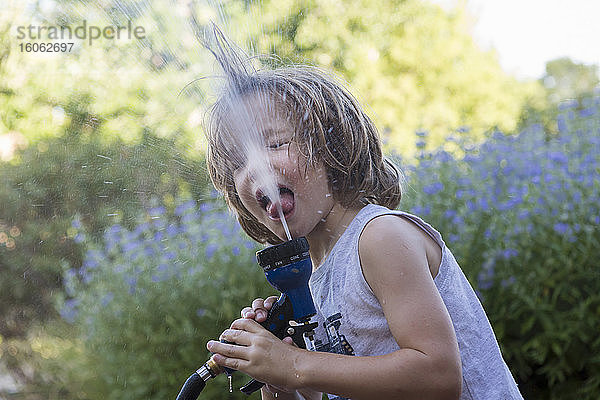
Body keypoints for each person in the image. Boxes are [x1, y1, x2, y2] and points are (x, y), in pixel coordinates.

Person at [202, 27, 523, 400]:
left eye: (275, 143)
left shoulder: (380, 238)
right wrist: (276, 373)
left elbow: (437, 377)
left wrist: (294, 365)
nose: (255, 169)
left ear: (331, 147)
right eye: (239, 162)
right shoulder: (309, 286)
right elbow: (322, 382)